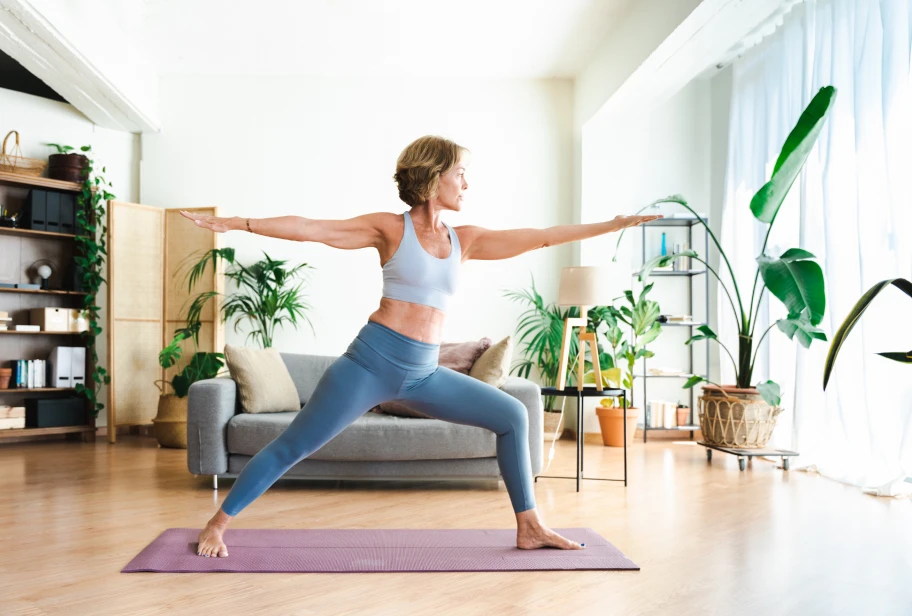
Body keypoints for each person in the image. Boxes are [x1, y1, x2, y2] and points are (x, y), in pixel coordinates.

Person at [180, 135, 660, 558]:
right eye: (460, 173)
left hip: (423, 374)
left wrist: (611, 225)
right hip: (369, 365)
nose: (466, 184)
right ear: (434, 177)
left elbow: (541, 238)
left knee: (513, 416)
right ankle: (217, 523)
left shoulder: (464, 240)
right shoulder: (390, 228)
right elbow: (313, 228)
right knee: (293, 446)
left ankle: (529, 526)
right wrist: (239, 223)